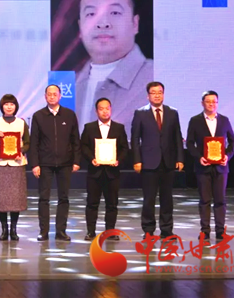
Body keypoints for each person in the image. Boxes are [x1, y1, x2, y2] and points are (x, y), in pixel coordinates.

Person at [74, 0, 154, 131]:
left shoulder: (158, 77)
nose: (103, 23)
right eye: (91, 13)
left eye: (115, 12)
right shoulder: (67, 87)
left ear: (135, 24)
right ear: (80, 28)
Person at [131, 82, 184, 239]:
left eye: (159, 92)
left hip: (168, 161)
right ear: (148, 96)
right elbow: (135, 139)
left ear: (163, 94)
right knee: (149, 199)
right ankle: (148, 230)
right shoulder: (140, 113)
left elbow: (177, 137)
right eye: (153, 92)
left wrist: (180, 158)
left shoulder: (172, 113)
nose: (157, 95)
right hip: (148, 162)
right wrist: (137, 160)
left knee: (167, 198)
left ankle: (167, 230)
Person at [30, 84, 80, 241]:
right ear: (45, 96)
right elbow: (34, 142)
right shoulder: (38, 116)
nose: (52, 97)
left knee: (63, 198)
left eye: (55, 94)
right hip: (45, 163)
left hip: (65, 163)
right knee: (44, 198)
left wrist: (76, 161)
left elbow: (75, 140)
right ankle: (44, 231)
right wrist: (35, 164)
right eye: (49, 94)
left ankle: (61, 231)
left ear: (60, 96)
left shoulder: (69, 115)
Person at [186, 90, 234, 242]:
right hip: (203, 167)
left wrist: (227, 156)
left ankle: (220, 231)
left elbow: (233, 141)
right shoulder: (195, 120)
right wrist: (199, 157)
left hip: (221, 167)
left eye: (214, 102)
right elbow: (190, 143)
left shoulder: (224, 120)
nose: (211, 104)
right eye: (208, 102)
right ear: (202, 103)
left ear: (217, 103)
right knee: (204, 200)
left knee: (220, 200)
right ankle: (205, 231)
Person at [80, 97, 129, 241]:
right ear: (96, 111)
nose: (105, 111)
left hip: (112, 173)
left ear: (111, 110)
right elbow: (83, 146)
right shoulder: (89, 127)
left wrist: (118, 160)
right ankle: (91, 232)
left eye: (107, 108)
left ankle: (110, 232)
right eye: (101, 109)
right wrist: (91, 158)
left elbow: (124, 148)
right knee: (92, 203)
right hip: (94, 172)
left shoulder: (119, 128)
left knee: (112, 204)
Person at [0, 94, 30, 241]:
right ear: (2, 107)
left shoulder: (22, 123)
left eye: (12, 104)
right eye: (6, 104)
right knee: (1, 199)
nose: (9, 107)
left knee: (16, 199)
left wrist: (21, 151)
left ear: (16, 107)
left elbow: (28, 143)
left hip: (16, 164)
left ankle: (14, 230)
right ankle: (4, 229)